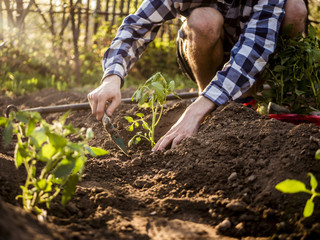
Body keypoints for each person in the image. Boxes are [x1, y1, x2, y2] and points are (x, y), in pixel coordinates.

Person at [87, 0, 307, 151]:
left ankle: (256, 97)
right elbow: (137, 26)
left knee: (296, 7)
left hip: (257, 60)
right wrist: (112, 77)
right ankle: (206, 96)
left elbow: (256, 46)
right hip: (205, 51)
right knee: (203, 19)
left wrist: (195, 110)